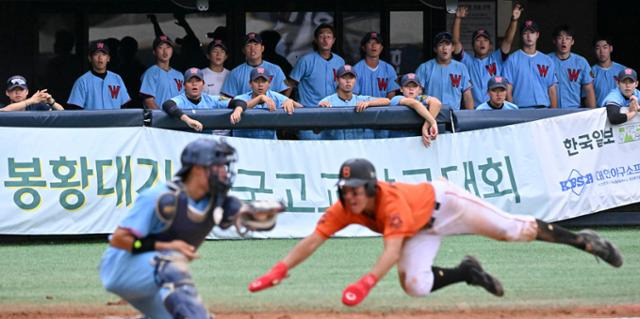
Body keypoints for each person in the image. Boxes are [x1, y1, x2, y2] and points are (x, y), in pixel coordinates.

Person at [248, 158, 623, 307]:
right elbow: (314, 239)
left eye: (357, 188)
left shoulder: (389, 202)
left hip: (448, 204)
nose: (350, 195)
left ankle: (583, 239)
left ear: (372, 187)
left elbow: (391, 250)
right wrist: (279, 270)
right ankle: (466, 272)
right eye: (345, 189)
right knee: (415, 285)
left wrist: (365, 283)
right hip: (421, 227)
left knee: (514, 231)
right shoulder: (346, 206)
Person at [100, 138, 282, 319]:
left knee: (188, 315)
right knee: (171, 264)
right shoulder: (161, 197)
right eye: (217, 166)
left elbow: (250, 218)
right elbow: (119, 239)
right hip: (121, 269)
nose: (224, 173)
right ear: (197, 169)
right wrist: (166, 246)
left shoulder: (215, 202)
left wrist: (259, 215)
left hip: (155, 277)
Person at [452, 3, 522, 107]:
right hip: (474, 109)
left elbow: (507, 41)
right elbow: (455, 42)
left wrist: (514, 20)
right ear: (472, 45)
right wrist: (457, 18)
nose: (482, 43)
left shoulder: (496, 58)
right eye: (478, 40)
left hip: (495, 108)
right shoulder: (467, 61)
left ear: (490, 45)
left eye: (485, 40)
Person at [289, 23, 345, 140]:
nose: (325, 40)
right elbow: (290, 83)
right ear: (316, 40)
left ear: (333, 40)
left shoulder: (340, 61)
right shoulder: (306, 60)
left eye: (329, 36)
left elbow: (343, 88)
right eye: (321, 36)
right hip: (309, 113)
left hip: (333, 113)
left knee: (333, 151)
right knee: (310, 151)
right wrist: (284, 105)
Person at [318, 65, 391, 140]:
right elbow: (316, 129)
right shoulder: (327, 101)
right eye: (344, 77)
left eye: (351, 77)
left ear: (355, 80)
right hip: (336, 147)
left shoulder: (361, 100)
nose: (348, 81)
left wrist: (368, 103)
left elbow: (387, 101)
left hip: (357, 147)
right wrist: (321, 108)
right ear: (337, 80)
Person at [162, 68, 246, 133]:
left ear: (203, 84)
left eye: (198, 81)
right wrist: (188, 120)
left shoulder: (211, 99)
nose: (194, 84)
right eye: (190, 81)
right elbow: (167, 104)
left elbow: (240, 102)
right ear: (184, 85)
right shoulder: (181, 99)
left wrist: (238, 111)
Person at [232, 67, 301, 139]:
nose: (260, 84)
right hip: (244, 144)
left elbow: (302, 108)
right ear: (250, 83)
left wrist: (291, 101)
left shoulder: (274, 96)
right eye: (256, 81)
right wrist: (260, 98)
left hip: (268, 145)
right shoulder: (240, 98)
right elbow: (239, 104)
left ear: (269, 83)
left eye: (264, 81)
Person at [502, 20, 557, 108]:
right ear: (521, 36)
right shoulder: (512, 59)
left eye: (532, 32)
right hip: (520, 109)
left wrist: (554, 114)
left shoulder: (547, 60)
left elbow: (552, 89)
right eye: (525, 33)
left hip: (543, 109)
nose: (529, 36)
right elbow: (508, 89)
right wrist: (512, 111)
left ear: (537, 35)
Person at [415, 32, 474, 110]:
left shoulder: (461, 67)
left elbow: (467, 95)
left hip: (454, 115)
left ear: (453, 48)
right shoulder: (424, 67)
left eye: (447, 44)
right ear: (435, 49)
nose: (444, 48)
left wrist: (470, 116)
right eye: (440, 45)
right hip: (431, 115)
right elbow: (417, 93)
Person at [221, 32, 289, 98]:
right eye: (248, 45)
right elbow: (228, 98)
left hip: (270, 108)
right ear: (243, 50)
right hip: (245, 108)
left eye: (256, 44)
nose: (252, 48)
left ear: (262, 48)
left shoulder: (276, 69)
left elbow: (286, 89)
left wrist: (280, 105)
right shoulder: (235, 73)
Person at [67, 40, 131, 110]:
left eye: (103, 54)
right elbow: (75, 109)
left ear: (108, 58)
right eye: (96, 54)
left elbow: (124, 105)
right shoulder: (82, 81)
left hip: (114, 120)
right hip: (91, 121)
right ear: (90, 58)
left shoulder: (117, 78)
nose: (100, 57)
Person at [547, 25, 595, 108]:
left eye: (567, 38)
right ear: (554, 40)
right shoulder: (546, 61)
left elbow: (589, 90)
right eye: (560, 38)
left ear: (572, 41)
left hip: (573, 111)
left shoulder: (581, 62)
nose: (563, 41)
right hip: (550, 111)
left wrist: (593, 115)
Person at [388, 73, 441, 143]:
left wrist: (425, 127)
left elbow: (437, 103)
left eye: (415, 86)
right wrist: (433, 122)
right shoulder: (396, 98)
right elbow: (414, 103)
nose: (411, 88)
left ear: (419, 89)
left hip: (418, 142)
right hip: (397, 141)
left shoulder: (420, 98)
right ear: (401, 89)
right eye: (407, 86)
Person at [140, 35, 184, 109]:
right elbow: (149, 101)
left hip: (178, 118)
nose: (165, 51)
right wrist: (161, 118)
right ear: (154, 52)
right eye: (161, 48)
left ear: (172, 50)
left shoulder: (179, 75)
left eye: (168, 47)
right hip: (159, 118)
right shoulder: (150, 73)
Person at [592, 36, 627, 107]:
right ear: (594, 50)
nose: (602, 52)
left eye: (605, 47)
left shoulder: (622, 70)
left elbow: (631, 92)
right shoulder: (590, 72)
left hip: (620, 111)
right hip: (599, 113)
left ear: (610, 49)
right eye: (598, 48)